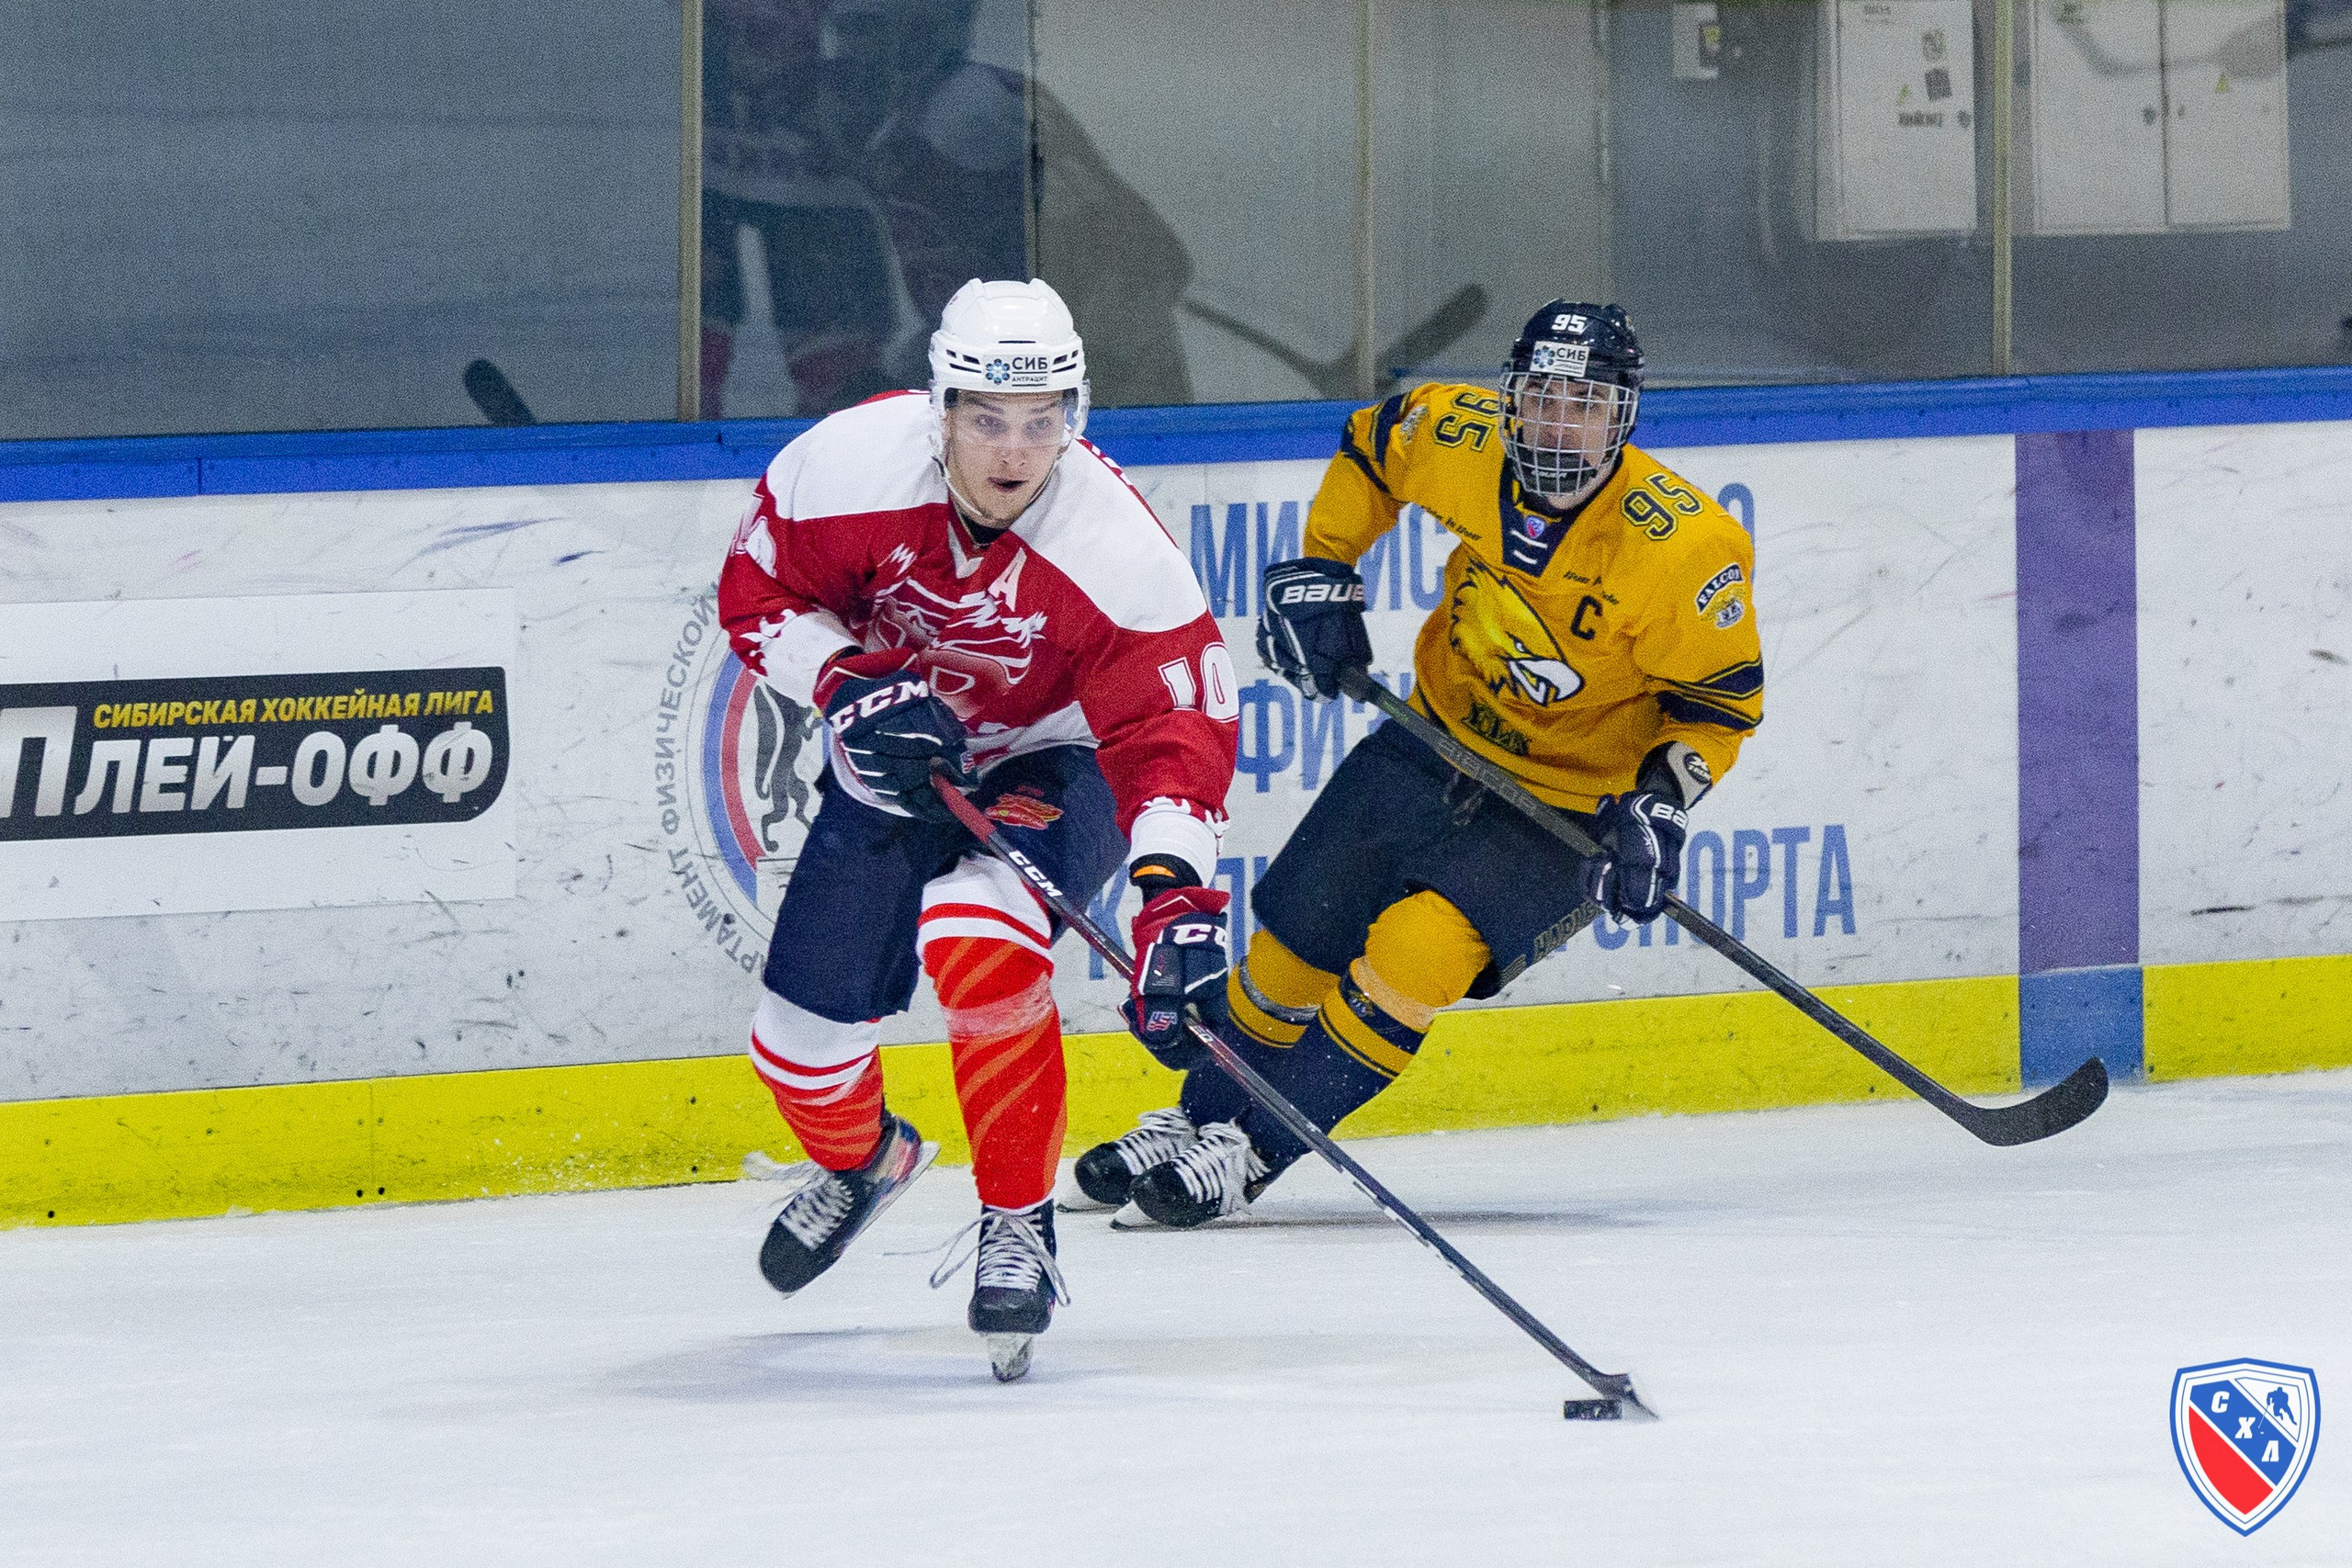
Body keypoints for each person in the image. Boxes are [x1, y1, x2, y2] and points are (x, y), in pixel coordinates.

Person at [1067, 300, 1765, 1227]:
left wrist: (1658, 807)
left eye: (1586, 403)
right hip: (1430, 738)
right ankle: (1200, 1114)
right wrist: (1325, 566)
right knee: (1290, 954)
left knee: (1412, 954)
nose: (1560, 422)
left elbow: (1717, 710)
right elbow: (1372, 447)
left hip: (1562, 807)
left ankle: (1252, 1150)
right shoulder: (1456, 432)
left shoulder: (1683, 549)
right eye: (1545, 396)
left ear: (1622, 417)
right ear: (1510, 398)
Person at [717, 277, 1238, 1372]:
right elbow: (756, 595)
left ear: (1074, 418)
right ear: (940, 409)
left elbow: (1171, 734)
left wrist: (1176, 908)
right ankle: (865, 1166)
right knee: (799, 1053)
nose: (1013, 452)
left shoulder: (1115, 549)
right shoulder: (843, 470)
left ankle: (1018, 1226)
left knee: (977, 938)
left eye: (1041, 422)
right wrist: (850, 681)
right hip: (892, 756)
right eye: (987, 420)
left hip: (1055, 754)